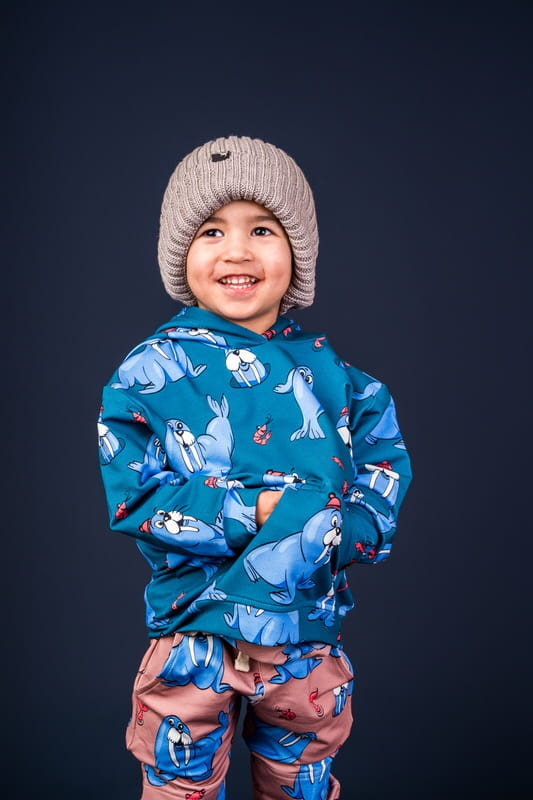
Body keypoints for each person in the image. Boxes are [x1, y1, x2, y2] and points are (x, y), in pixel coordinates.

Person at [97, 135, 413, 800]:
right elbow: (134, 499)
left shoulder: (340, 380)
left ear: (297, 254)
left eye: (262, 229)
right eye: (211, 231)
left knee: (300, 784)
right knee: (179, 785)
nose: (237, 251)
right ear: (181, 254)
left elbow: (381, 478)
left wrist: (328, 532)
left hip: (305, 635)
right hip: (193, 632)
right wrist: (256, 513)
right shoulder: (149, 371)